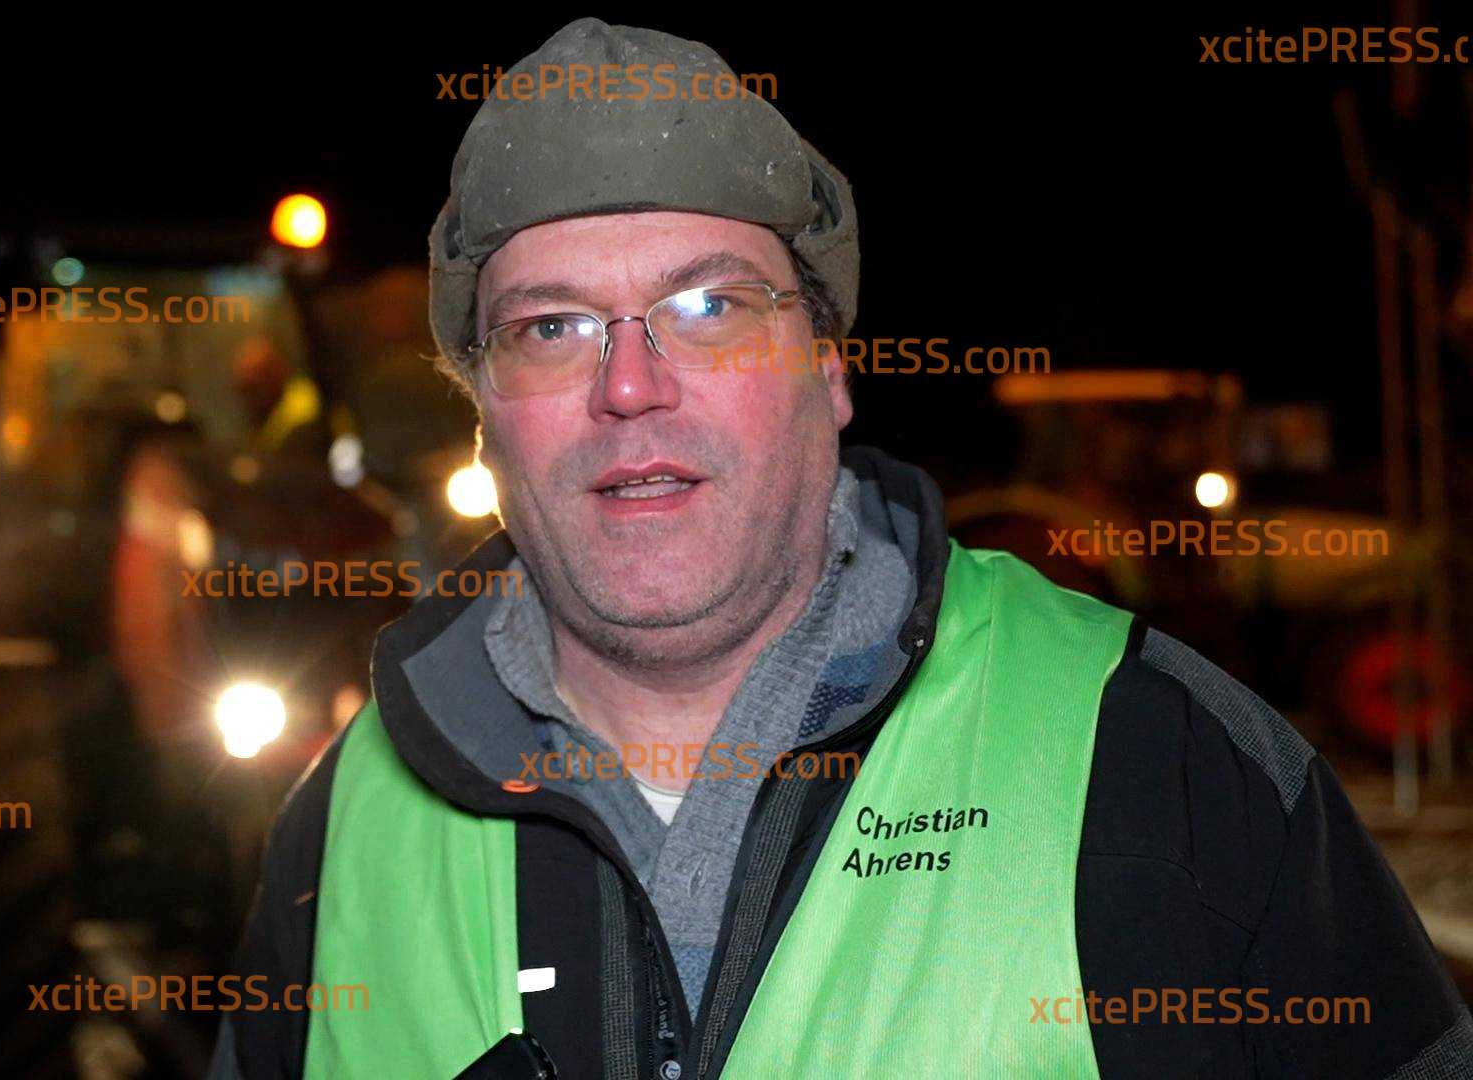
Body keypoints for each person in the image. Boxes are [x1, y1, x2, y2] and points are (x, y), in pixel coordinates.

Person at [209, 18, 1472, 1078]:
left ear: (828, 371)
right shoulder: (344, 828)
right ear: (484, 407)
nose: (630, 385)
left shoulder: (1165, 761)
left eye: (710, 306)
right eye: (552, 327)